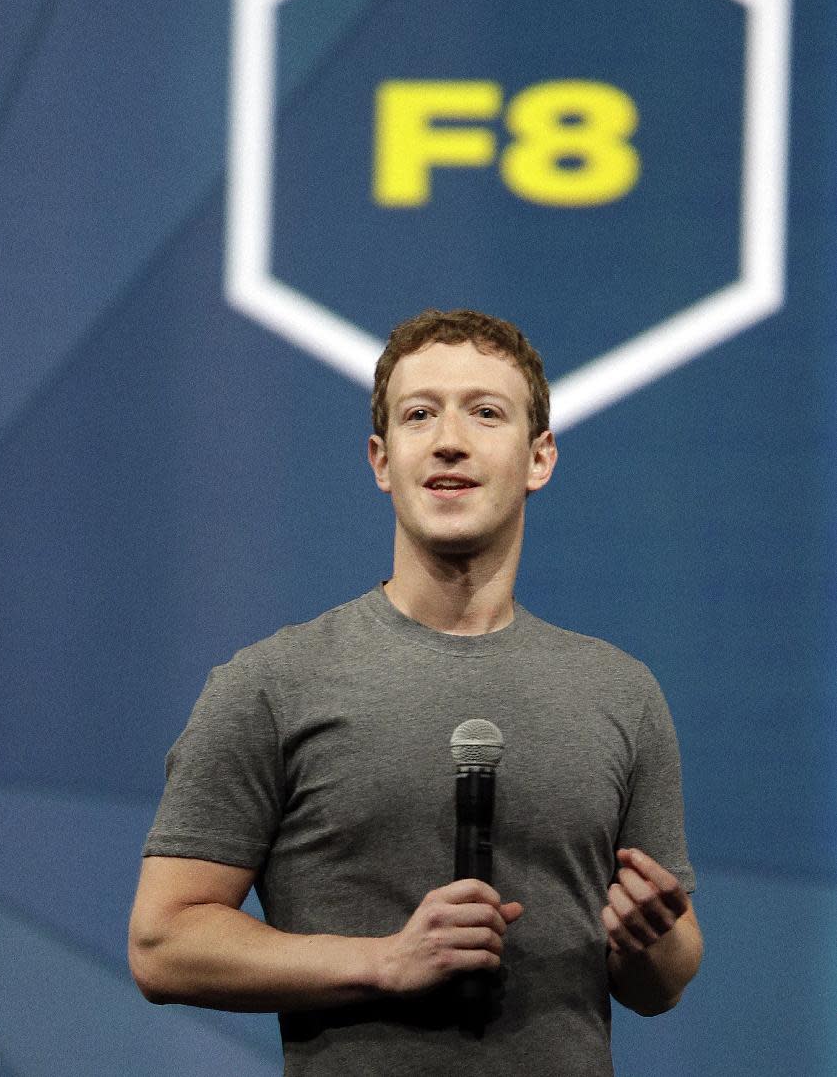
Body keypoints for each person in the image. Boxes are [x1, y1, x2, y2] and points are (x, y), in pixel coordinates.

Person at [129, 308, 702, 1075]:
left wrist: (650, 937)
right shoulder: (273, 684)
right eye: (418, 414)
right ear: (380, 458)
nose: (448, 439)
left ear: (539, 458)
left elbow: (660, 981)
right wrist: (382, 959)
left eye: (485, 412)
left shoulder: (618, 692)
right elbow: (163, 943)